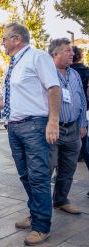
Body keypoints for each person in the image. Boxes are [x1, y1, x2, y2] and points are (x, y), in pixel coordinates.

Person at [0, 23, 61, 246]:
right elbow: (7, 100)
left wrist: (53, 121)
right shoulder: (13, 65)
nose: (2, 43)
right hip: (14, 127)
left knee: (38, 177)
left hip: (34, 126)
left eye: (4, 39)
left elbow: (54, 88)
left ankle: (42, 226)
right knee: (25, 175)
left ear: (16, 39)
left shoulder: (38, 57)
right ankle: (35, 212)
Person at [48, 38, 87, 214]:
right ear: (55, 54)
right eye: (67, 50)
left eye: (71, 50)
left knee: (68, 168)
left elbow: (82, 100)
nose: (72, 53)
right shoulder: (46, 73)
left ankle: (61, 200)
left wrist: (82, 124)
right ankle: (38, 209)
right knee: (47, 169)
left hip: (73, 129)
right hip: (53, 129)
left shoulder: (75, 74)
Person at [70, 46, 89, 179]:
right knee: (85, 146)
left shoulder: (67, 71)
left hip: (68, 113)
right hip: (84, 112)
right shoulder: (86, 71)